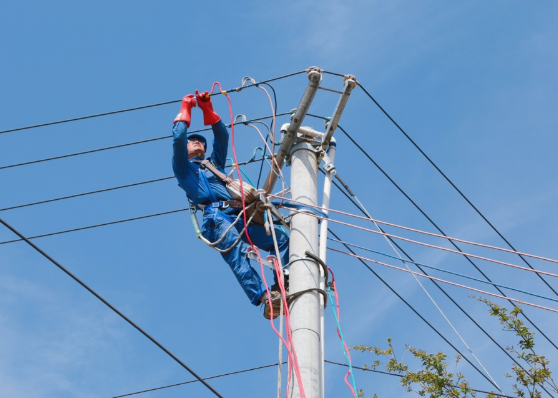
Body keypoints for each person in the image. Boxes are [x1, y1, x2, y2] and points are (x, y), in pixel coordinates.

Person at [171, 90, 289, 319]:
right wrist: (186, 108)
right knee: (238, 253)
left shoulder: (214, 165)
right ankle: (264, 298)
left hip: (240, 214)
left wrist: (207, 109)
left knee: (280, 238)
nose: (198, 143)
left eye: (201, 142)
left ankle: (284, 285)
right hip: (216, 219)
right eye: (193, 140)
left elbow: (222, 137)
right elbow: (177, 138)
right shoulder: (183, 169)